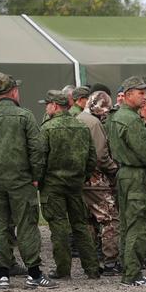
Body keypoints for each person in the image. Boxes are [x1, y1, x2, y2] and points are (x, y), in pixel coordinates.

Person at [0, 73, 52, 289]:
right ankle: (34, 274)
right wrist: (36, 177)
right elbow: (37, 149)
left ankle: (2, 276)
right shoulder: (25, 116)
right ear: (14, 92)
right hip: (21, 182)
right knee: (26, 225)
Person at [107, 78, 146, 287]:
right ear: (129, 94)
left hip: (124, 173)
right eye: (141, 93)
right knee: (139, 225)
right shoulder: (131, 120)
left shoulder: (116, 117)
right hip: (137, 174)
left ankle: (128, 270)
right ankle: (133, 274)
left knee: (128, 224)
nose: (144, 97)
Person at [39, 89, 99, 280]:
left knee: (59, 228)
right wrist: (82, 177)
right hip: (75, 185)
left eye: (47, 105)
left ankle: (63, 269)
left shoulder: (47, 128)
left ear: (54, 105)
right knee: (80, 225)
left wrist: (39, 181)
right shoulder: (81, 126)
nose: (46, 108)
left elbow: (40, 160)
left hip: (53, 186)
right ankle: (92, 268)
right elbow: (92, 158)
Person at [78, 91, 120, 275]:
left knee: (89, 221)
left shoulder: (78, 119)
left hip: (81, 180)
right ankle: (111, 261)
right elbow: (100, 155)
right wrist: (114, 169)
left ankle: (91, 262)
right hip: (97, 180)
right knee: (110, 219)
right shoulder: (94, 123)